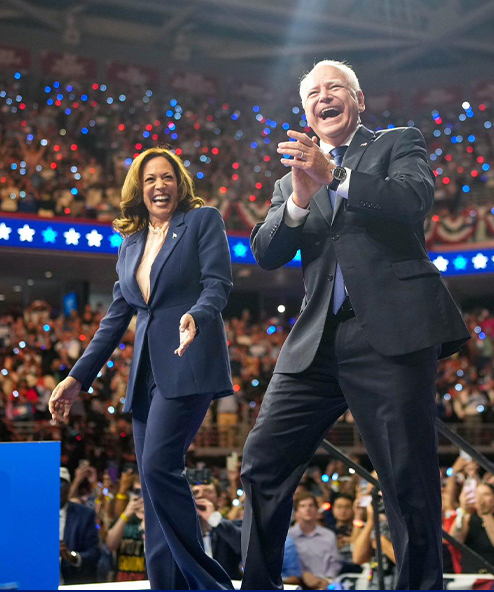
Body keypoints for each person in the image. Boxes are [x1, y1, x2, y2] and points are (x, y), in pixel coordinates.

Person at [240, 59, 470, 590]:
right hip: (315, 342)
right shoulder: (290, 180)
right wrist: (298, 197)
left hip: (389, 336)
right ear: (305, 111)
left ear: (358, 100)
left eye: (335, 88)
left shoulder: (397, 143)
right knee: (262, 462)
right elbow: (267, 252)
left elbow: (413, 200)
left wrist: (334, 175)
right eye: (314, 93)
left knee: (407, 478)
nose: (325, 97)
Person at [49, 146, 234, 590]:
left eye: (167, 177)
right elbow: (115, 320)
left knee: (156, 467)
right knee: (151, 491)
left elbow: (218, 284)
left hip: (188, 361)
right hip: (146, 377)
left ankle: (212, 586)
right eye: (150, 179)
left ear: (179, 183)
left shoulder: (202, 221)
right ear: (139, 188)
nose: (159, 186)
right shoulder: (130, 244)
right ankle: (165, 586)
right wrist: (76, 378)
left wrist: (199, 316)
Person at [288, 492, 343, 588]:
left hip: (326, 584)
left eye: (311, 505)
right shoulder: (289, 536)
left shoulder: (329, 535)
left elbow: (335, 562)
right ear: (297, 512)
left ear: (317, 510)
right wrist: (302, 574)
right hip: (298, 584)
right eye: (302, 506)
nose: (307, 509)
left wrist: (327, 580)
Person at [60, 467, 101, 585]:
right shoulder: (36, 514)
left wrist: (72, 556)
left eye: (62, 483)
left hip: (74, 581)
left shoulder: (84, 514)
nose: (58, 487)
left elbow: (94, 553)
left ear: (69, 488)